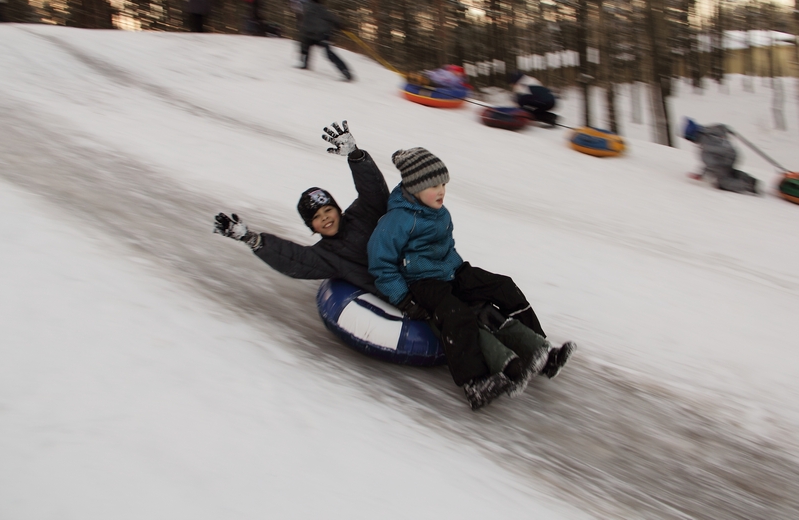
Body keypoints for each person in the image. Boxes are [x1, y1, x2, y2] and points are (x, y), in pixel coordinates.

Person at [367, 148, 576, 410]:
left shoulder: (440, 212)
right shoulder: (397, 220)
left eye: (443, 183)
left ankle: (539, 351)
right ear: (415, 187)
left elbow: (446, 247)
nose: (441, 190)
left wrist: (461, 272)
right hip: (421, 282)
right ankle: (475, 384)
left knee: (503, 286)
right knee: (458, 315)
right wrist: (404, 299)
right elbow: (380, 263)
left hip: (451, 271)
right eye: (433, 185)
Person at [213, 122, 389, 297]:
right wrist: (250, 238)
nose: (325, 218)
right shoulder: (326, 255)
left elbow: (373, 190)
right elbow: (293, 259)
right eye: (317, 217)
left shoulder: (363, 214)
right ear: (312, 226)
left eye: (328, 210)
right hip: (401, 294)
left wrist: (355, 154)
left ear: (338, 209)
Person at [683, 118, 760, 195]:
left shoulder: (705, 147)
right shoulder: (708, 129)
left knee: (722, 182)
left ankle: (747, 186)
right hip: (732, 153)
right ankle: (749, 179)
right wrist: (728, 131)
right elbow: (722, 127)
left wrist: (701, 174)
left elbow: (710, 165)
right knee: (729, 171)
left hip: (724, 159)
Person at [288, 0, 352, 81]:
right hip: (311, 35)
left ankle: (345, 71)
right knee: (305, 45)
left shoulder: (315, 7)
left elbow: (329, 16)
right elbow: (302, 33)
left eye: (294, 4)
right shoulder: (300, 14)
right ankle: (304, 64)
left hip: (322, 34)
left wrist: (340, 25)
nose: (294, 7)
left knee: (328, 53)